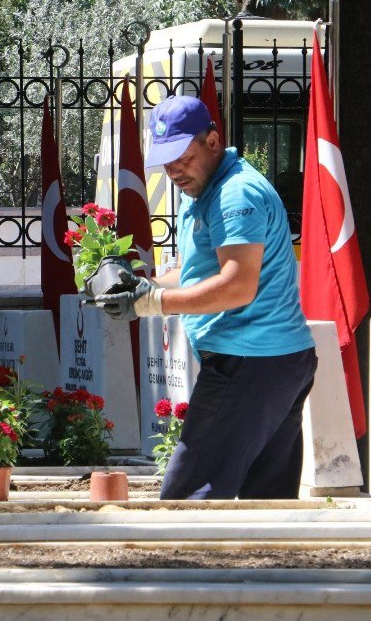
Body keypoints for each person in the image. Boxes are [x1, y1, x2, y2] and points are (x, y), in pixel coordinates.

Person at [94, 95, 317, 500]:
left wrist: (152, 304)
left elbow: (237, 286)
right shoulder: (202, 191)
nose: (173, 169)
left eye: (182, 155)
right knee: (266, 503)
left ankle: (177, 567)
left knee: (186, 500)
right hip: (274, 360)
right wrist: (143, 284)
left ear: (212, 141)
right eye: (165, 159)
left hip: (249, 362)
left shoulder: (235, 194)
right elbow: (199, 273)